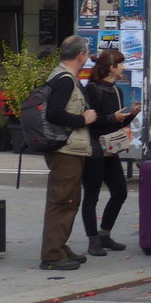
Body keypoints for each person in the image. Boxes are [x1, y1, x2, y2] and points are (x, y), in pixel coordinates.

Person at [38, 35, 97, 270]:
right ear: (81, 54)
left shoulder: (64, 76)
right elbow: (54, 113)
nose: (89, 56)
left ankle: (59, 246)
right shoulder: (64, 79)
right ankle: (52, 254)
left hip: (71, 148)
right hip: (65, 149)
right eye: (88, 52)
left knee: (69, 200)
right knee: (62, 200)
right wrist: (82, 119)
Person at [81, 48, 140, 256]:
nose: (123, 68)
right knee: (91, 196)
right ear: (112, 67)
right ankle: (92, 239)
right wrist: (112, 119)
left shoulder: (116, 90)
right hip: (94, 149)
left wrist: (130, 115)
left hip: (111, 149)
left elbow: (116, 122)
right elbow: (90, 121)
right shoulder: (93, 89)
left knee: (120, 192)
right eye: (121, 64)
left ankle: (104, 233)